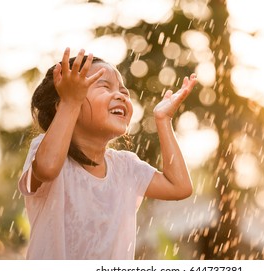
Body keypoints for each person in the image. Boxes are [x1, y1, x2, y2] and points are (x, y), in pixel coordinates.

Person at [18, 47, 197, 259]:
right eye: (104, 86)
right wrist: (71, 102)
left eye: (124, 92)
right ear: (63, 105)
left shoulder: (126, 168)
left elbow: (180, 187)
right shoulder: (44, 150)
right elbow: (46, 169)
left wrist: (163, 120)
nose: (120, 96)